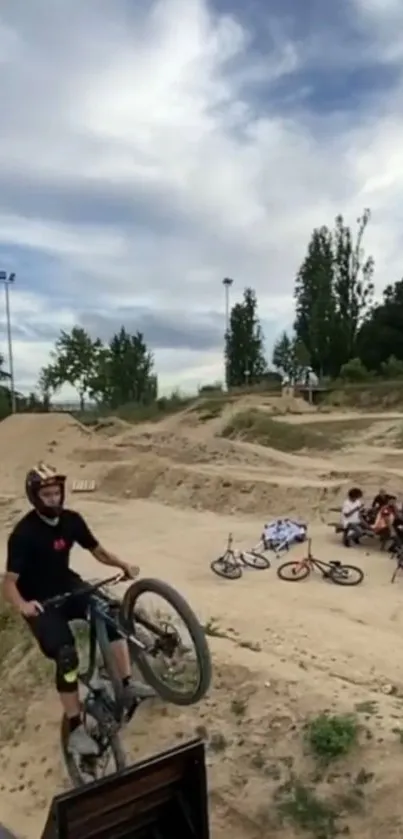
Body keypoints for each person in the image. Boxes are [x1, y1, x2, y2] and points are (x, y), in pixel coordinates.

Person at [2, 462, 154, 756]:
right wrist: (23, 605)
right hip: (40, 603)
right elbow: (8, 584)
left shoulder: (72, 520)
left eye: (56, 493)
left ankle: (125, 683)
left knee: (108, 615)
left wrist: (122, 564)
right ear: (34, 497)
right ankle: (74, 727)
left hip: (68, 586)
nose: (54, 499)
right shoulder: (23, 534)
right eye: (46, 494)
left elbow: (97, 550)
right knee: (67, 657)